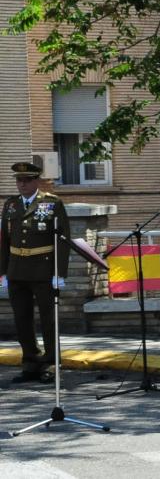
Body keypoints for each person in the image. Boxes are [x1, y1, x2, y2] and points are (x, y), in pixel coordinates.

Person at [0, 162, 69, 384]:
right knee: (22, 320)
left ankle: (50, 363)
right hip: (17, 270)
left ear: (36, 181)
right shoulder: (10, 205)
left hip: (43, 269)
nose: (22, 184)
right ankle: (30, 362)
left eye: (27, 180)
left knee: (48, 320)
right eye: (19, 180)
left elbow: (62, 240)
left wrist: (59, 273)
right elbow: (3, 241)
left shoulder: (52, 203)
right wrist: (2, 272)